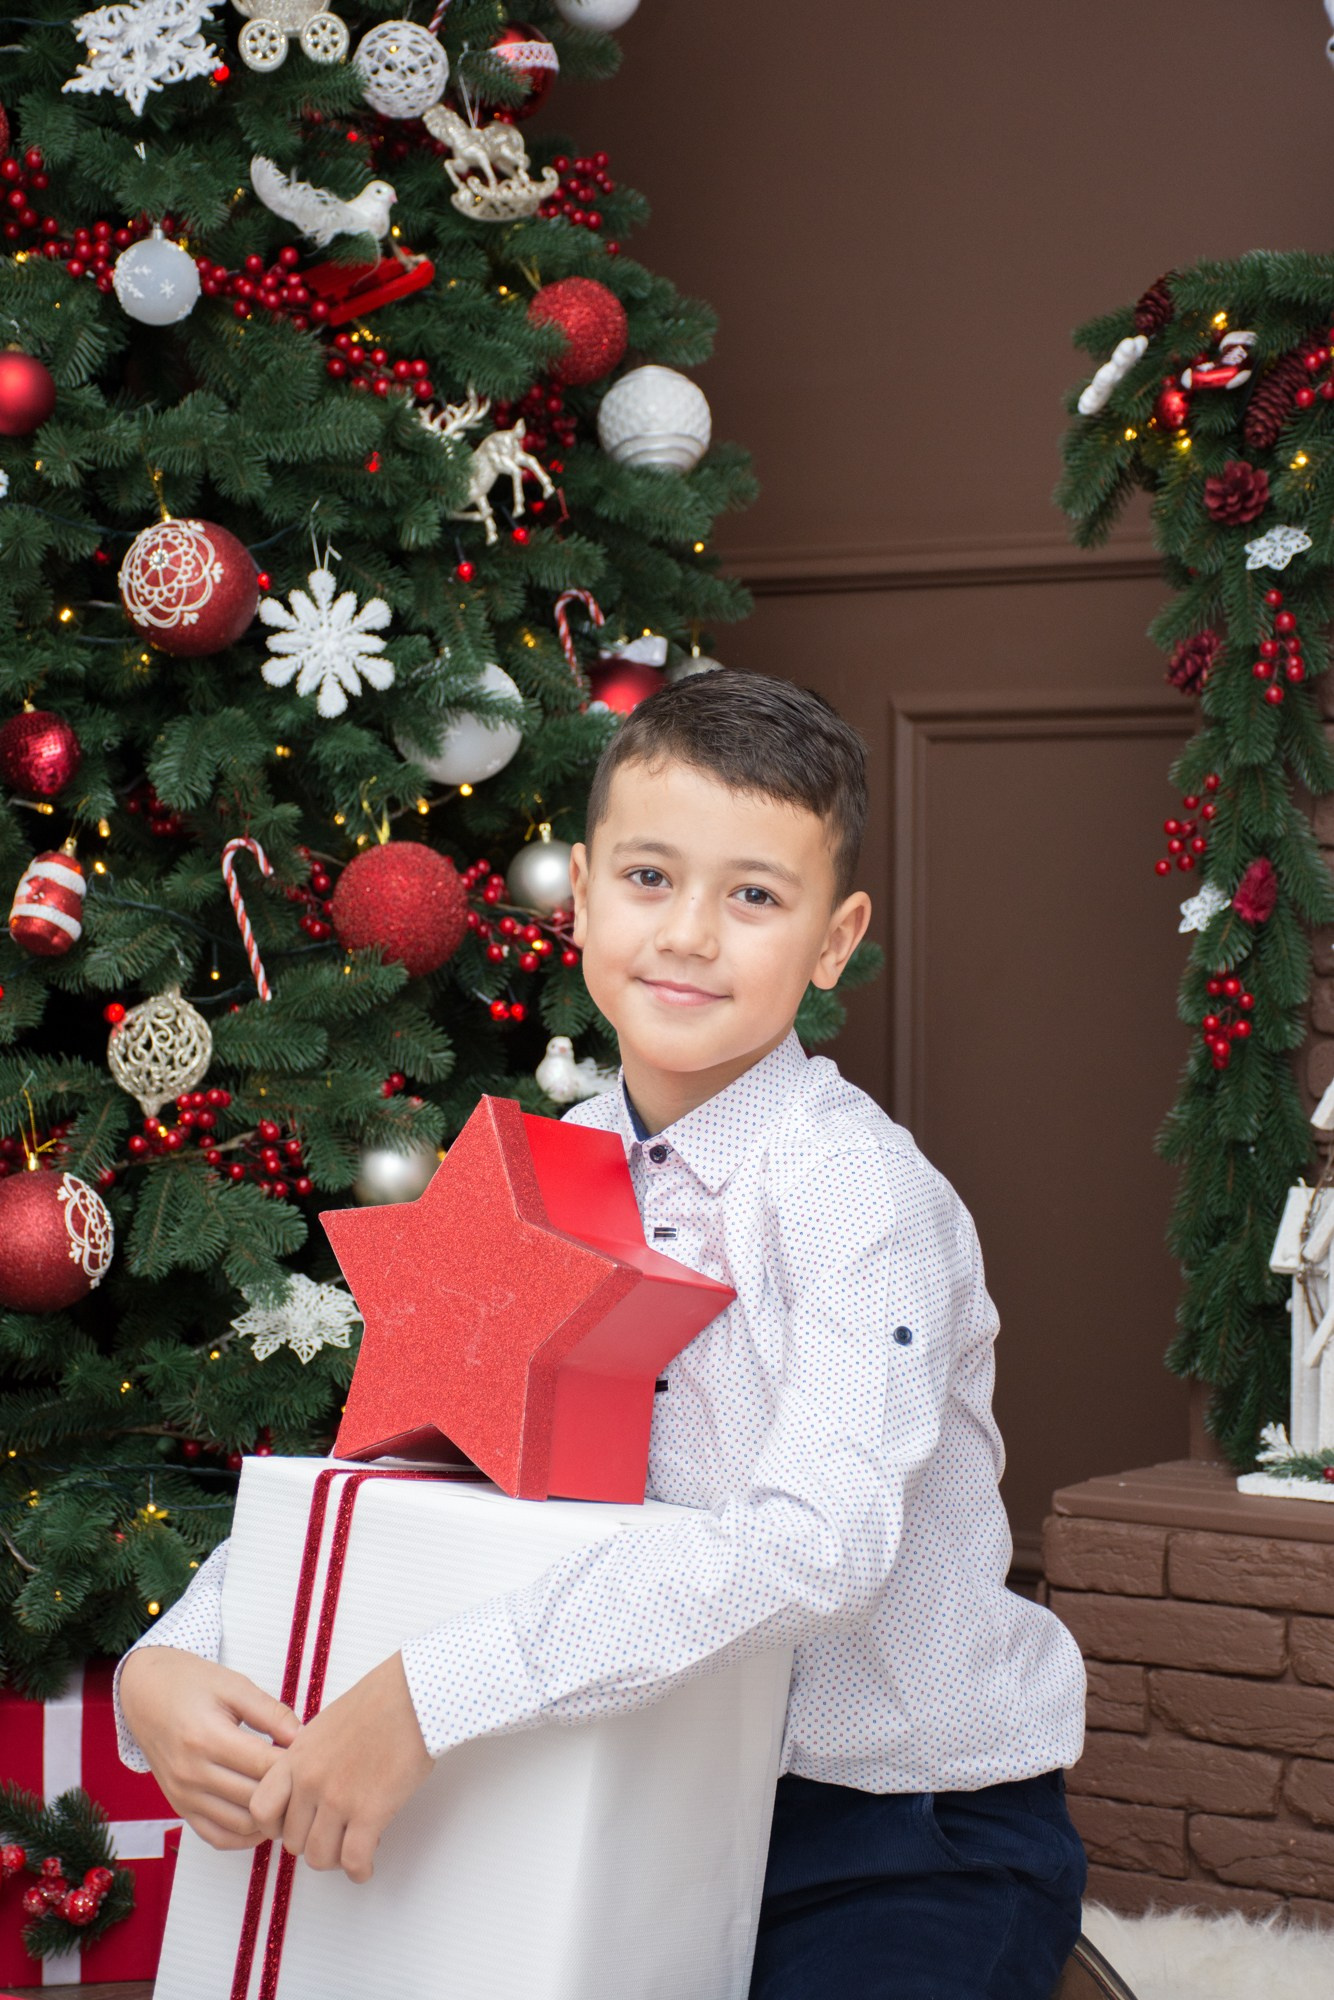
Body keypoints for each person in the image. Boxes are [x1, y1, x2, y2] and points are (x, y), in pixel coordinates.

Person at [117, 670, 1088, 1998]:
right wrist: (174, 1651)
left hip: (899, 1830)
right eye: (647, 877)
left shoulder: (855, 1197)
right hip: (630, 1791)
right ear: (577, 894)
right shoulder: (544, 1176)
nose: (687, 933)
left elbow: (816, 1548)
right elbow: (406, 1453)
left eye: (753, 895)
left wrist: (429, 1695)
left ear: (833, 937)